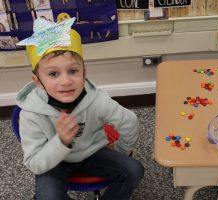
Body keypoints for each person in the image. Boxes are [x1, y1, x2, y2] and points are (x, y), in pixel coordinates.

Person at [16, 18, 144, 200]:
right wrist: (61, 141)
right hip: (54, 161)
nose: (66, 81)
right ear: (38, 81)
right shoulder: (31, 113)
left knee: (134, 170)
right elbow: (34, 164)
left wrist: (121, 149)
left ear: (84, 72)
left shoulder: (97, 99)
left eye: (73, 71)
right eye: (53, 74)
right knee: (48, 196)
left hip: (93, 152)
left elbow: (129, 121)